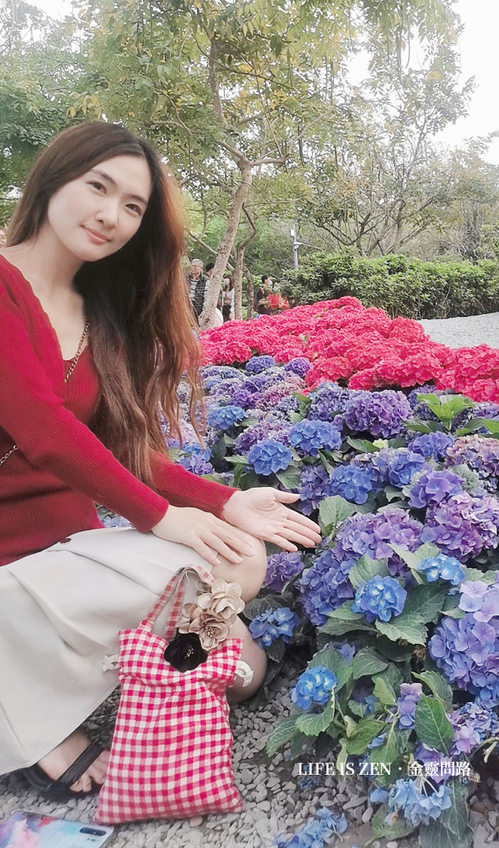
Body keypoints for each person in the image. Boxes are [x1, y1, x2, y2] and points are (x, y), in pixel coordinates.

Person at [0, 122, 321, 800]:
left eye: (132, 207)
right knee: (211, 611)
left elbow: (124, 448)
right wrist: (163, 520)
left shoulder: (97, 310)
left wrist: (226, 502)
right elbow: (44, 430)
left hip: (65, 550)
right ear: (54, 177)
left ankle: (159, 668)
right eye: (99, 187)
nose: (110, 215)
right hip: (4, 565)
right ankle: (35, 728)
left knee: (241, 565)